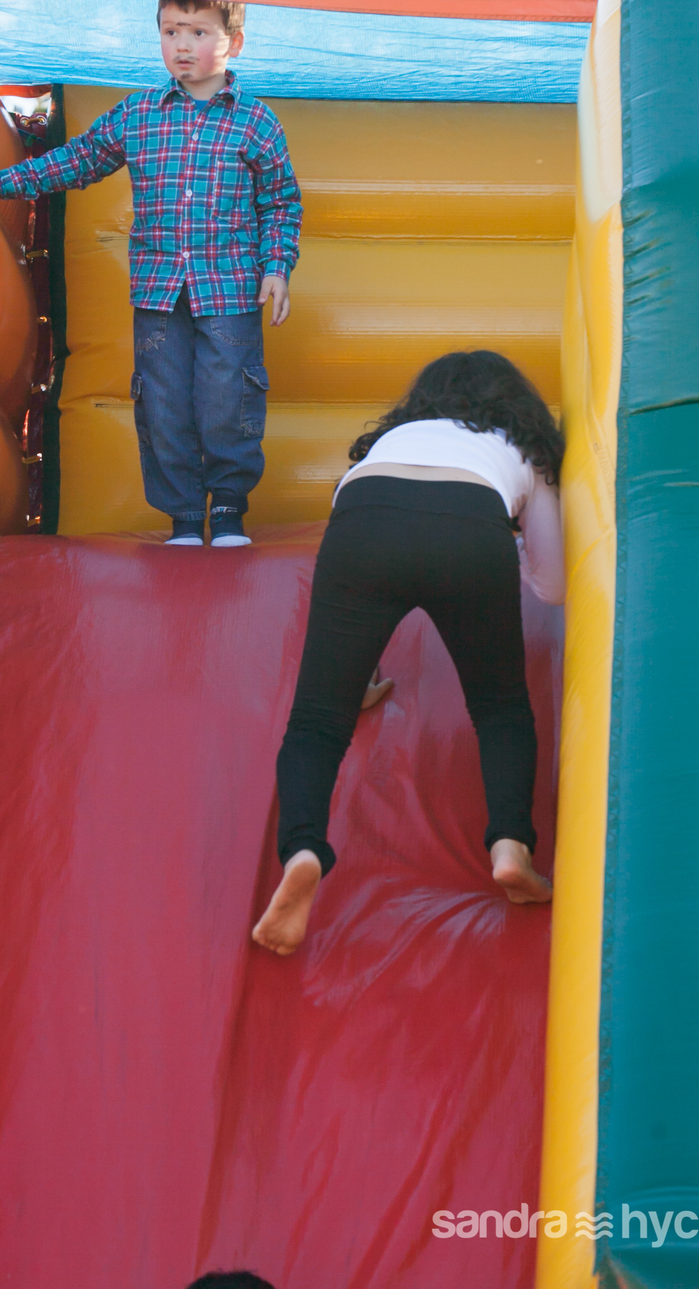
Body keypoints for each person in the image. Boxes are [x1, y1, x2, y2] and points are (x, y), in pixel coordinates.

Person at [0, 0, 301, 547]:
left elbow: (279, 202)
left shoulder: (255, 121)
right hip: (159, 292)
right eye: (171, 31)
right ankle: (184, 518)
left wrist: (276, 268)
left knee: (227, 398)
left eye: (199, 32)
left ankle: (229, 511)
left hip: (231, 289)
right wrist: (1, 182)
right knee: (162, 403)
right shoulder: (139, 113)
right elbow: (80, 159)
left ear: (233, 42)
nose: (182, 45)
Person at [252, 350, 565, 956]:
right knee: (500, 707)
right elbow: (553, 584)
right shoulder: (524, 446)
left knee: (317, 721)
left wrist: (357, 674)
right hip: (470, 528)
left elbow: (363, 575)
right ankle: (511, 847)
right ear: (515, 402)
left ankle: (303, 851)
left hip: (363, 522)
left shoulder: (389, 442)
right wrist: (509, 541)